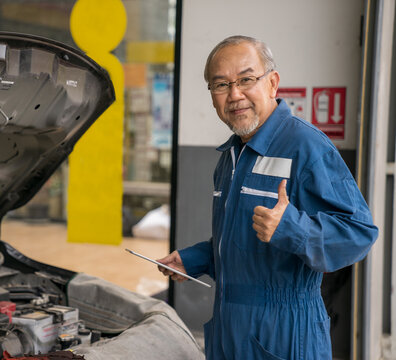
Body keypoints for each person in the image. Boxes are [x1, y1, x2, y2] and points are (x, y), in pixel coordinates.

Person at [157, 35, 378, 360]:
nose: (234, 94)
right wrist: (196, 260)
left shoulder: (306, 147)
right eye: (221, 85)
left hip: (285, 337)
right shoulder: (230, 158)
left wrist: (295, 230)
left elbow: (359, 233)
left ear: (272, 83)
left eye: (246, 79)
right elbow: (244, 244)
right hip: (229, 332)